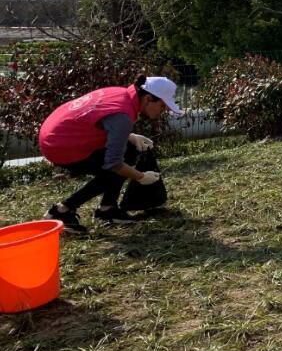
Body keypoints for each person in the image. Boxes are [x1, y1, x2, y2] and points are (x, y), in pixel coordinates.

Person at [40, 75, 181, 233]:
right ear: (148, 98)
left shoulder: (120, 94)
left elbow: (96, 119)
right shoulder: (123, 116)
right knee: (113, 169)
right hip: (59, 146)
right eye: (162, 106)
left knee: (129, 150)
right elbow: (114, 164)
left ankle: (108, 209)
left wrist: (129, 136)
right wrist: (141, 177)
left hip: (56, 135)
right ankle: (61, 210)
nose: (163, 111)